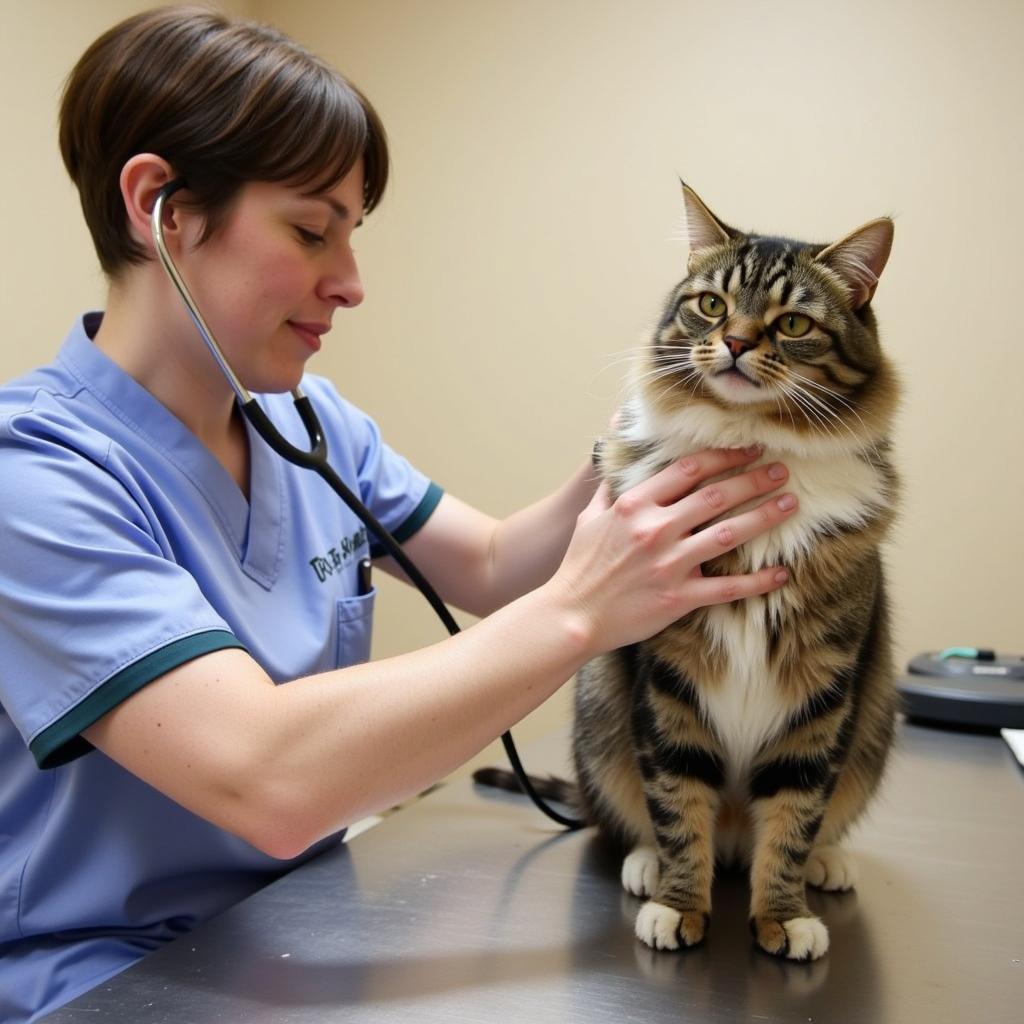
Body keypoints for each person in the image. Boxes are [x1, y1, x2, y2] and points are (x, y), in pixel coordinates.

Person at [0, 7, 798, 1021]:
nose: (352, 283)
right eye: (310, 228)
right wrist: (585, 614)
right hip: (102, 979)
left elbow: (499, 563)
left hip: (294, 938)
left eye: (353, 233)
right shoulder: (33, 474)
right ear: (160, 206)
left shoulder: (307, 422)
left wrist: (641, 452)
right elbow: (265, 778)